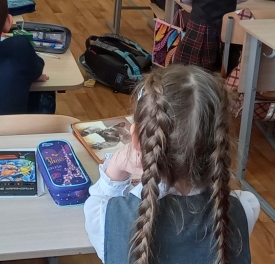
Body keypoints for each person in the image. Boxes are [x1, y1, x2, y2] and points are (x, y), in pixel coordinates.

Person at [83, 65, 257, 264]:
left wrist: (116, 166)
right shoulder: (244, 208)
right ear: (221, 142)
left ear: (137, 140)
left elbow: (100, 200)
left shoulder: (104, 216)